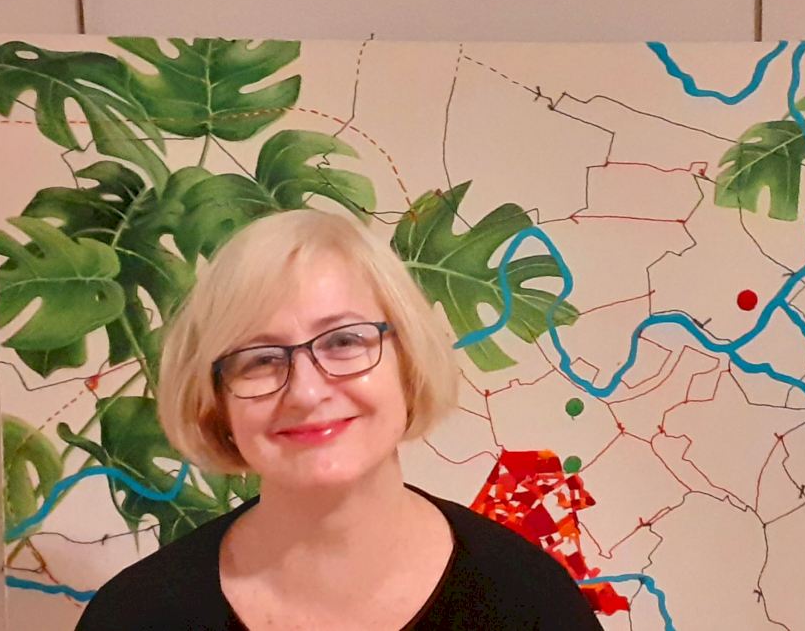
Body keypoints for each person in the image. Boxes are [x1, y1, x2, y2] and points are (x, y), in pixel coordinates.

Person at [76, 209, 601, 630]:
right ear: (217, 401)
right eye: (260, 359)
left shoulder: (530, 605)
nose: (305, 392)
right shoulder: (136, 616)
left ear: (408, 361)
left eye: (345, 341)